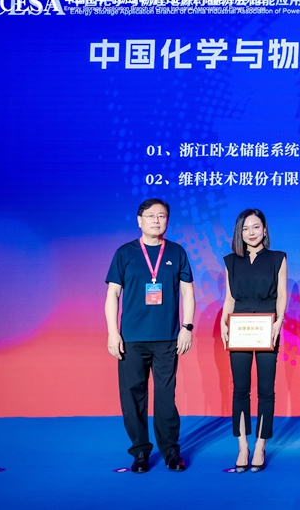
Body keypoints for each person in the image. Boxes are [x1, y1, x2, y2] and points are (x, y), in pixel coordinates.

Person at [104, 198, 195, 473]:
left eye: (162, 216)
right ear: (139, 220)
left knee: (166, 397)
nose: (157, 220)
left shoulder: (176, 252)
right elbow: (112, 295)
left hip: (167, 338)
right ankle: (140, 452)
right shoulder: (125, 253)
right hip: (131, 339)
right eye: (151, 215)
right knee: (132, 396)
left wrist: (187, 327)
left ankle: (170, 451)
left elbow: (188, 292)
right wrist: (112, 333)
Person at [220, 209, 288, 473]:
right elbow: (229, 298)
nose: (251, 232)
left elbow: (281, 294)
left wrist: (279, 321)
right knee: (240, 389)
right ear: (240, 231)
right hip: (239, 327)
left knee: (266, 389)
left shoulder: (278, 258)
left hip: (267, 327)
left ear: (265, 229)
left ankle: (260, 444)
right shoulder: (230, 261)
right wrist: (223, 323)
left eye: (256, 227)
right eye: (246, 228)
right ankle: (242, 446)